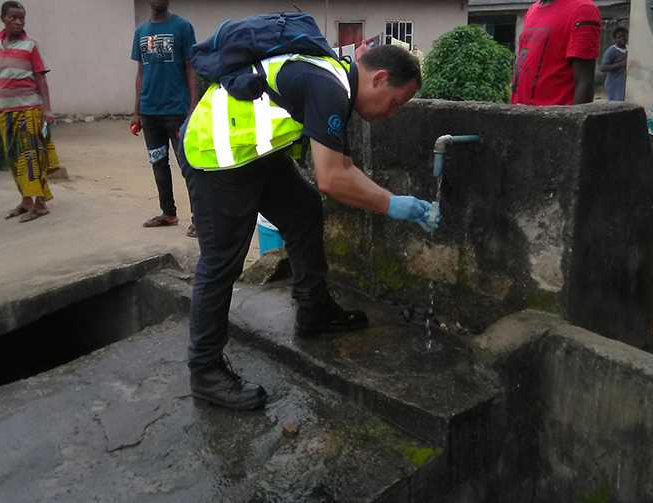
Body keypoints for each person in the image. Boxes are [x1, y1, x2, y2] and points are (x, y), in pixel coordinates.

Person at [181, 44, 435, 411]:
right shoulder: (328, 86)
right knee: (221, 263)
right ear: (379, 79)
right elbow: (332, 178)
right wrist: (396, 205)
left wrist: (393, 201)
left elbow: (342, 165)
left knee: (303, 210)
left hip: (254, 152)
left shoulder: (337, 84)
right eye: (396, 102)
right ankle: (205, 372)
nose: (392, 114)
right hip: (215, 154)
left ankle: (314, 310)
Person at [0, 1, 60, 223]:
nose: (19, 21)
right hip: (6, 112)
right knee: (14, 158)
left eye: (22, 17)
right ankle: (26, 201)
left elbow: (41, 79)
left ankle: (40, 203)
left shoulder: (31, 46)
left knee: (33, 158)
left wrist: (47, 109)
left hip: (29, 110)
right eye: (14, 17)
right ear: (3, 18)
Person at [130, 0, 198, 237]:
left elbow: (191, 67)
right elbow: (140, 73)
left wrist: (192, 106)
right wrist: (137, 110)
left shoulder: (182, 27)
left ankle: (199, 219)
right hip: (149, 115)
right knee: (158, 165)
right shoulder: (140, 32)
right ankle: (168, 214)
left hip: (177, 113)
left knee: (187, 167)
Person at [511, 0, 602, 105]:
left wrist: (572, 120)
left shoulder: (583, 9)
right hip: (520, 113)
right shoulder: (533, 9)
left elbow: (584, 81)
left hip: (553, 117)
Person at [600, 27, 628, 101]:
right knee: (616, 105)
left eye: (624, 36)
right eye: (619, 37)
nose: (622, 38)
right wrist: (621, 64)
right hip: (614, 83)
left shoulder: (628, 49)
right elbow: (603, 68)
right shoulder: (611, 51)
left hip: (623, 83)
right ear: (615, 39)